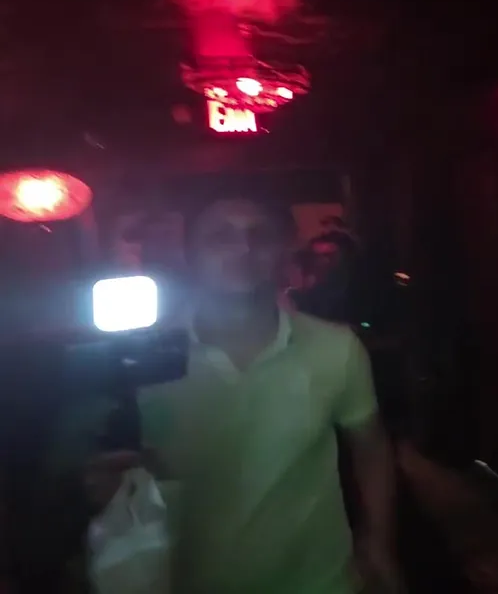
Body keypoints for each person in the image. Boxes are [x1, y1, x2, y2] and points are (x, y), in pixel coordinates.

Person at [82, 192, 400, 593]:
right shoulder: (141, 358)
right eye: (220, 236)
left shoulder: (335, 348)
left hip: (318, 582)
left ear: (282, 250)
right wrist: (99, 486)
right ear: (191, 254)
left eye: (260, 235)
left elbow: (371, 447)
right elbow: (90, 467)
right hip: (181, 582)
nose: (244, 248)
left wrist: (378, 542)